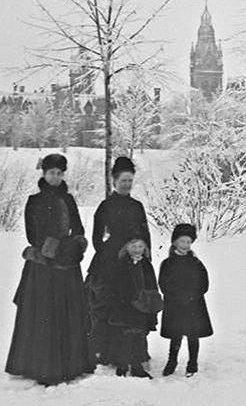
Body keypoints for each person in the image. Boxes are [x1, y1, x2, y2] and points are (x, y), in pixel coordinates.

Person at [5, 154, 93, 386]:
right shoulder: (34, 201)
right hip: (43, 267)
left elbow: (79, 228)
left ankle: (71, 364)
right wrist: (52, 249)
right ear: (44, 174)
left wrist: (75, 246)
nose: (55, 177)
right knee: (44, 315)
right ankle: (40, 366)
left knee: (68, 314)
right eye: (51, 172)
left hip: (67, 264)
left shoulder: (69, 199)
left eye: (59, 173)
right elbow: (32, 234)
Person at [85, 156, 152, 366]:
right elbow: (96, 238)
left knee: (135, 305)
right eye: (123, 180)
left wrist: (142, 254)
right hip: (110, 263)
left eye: (130, 180)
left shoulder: (137, 206)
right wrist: (109, 254)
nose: (126, 184)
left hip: (135, 260)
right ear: (114, 181)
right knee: (106, 305)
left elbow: (145, 233)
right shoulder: (105, 206)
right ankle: (105, 352)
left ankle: (134, 353)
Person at [159, 224, 213, 377]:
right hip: (175, 305)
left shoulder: (196, 263)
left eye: (189, 242)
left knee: (193, 335)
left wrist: (192, 295)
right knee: (176, 334)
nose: (186, 245)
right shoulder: (168, 263)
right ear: (175, 242)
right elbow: (163, 284)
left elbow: (204, 283)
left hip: (193, 305)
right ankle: (172, 361)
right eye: (182, 241)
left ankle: (192, 363)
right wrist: (176, 296)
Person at [109, 238, 160, 379]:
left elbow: (152, 285)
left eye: (140, 246)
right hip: (125, 306)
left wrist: (151, 303)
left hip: (142, 307)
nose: (137, 249)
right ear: (126, 247)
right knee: (125, 336)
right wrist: (121, 301)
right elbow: (114, 286)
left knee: (139, 335)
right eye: (133, 246)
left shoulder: (146, 265)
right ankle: (122, 364)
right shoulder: (120, 265)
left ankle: (137, 366)